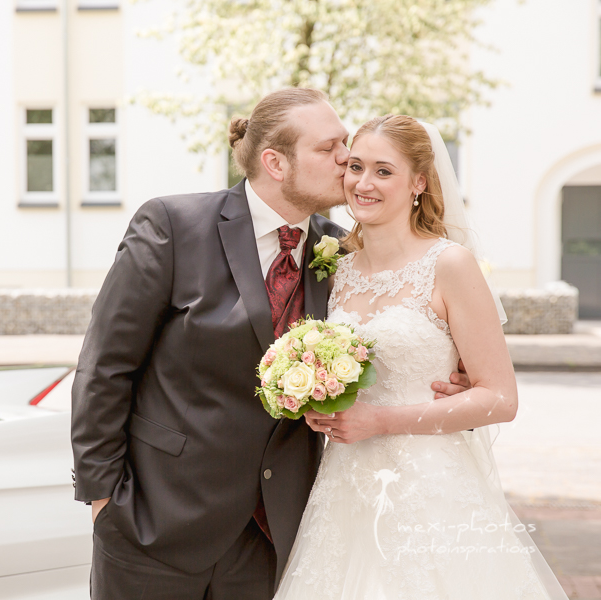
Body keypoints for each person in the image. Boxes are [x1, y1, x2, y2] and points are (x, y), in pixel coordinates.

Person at [71, 89, 471, 600]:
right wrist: (104, 498)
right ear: (275, 163)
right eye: (329, 149)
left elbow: (398, 332)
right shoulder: (174, 226)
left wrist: (447, 378)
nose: (346, 159)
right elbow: (105, 366)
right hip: (156, 523)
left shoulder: (345, 252)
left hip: (276, 533)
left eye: (344, 143)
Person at [276, 115, 568, 599]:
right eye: (355, 166)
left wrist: (380, 420)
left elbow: (500, 398)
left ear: (419, 182)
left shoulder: (449, 264)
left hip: (430, 485)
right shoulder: (335, 269)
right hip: (344, 485)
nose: (363, 183)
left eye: (384, 171)